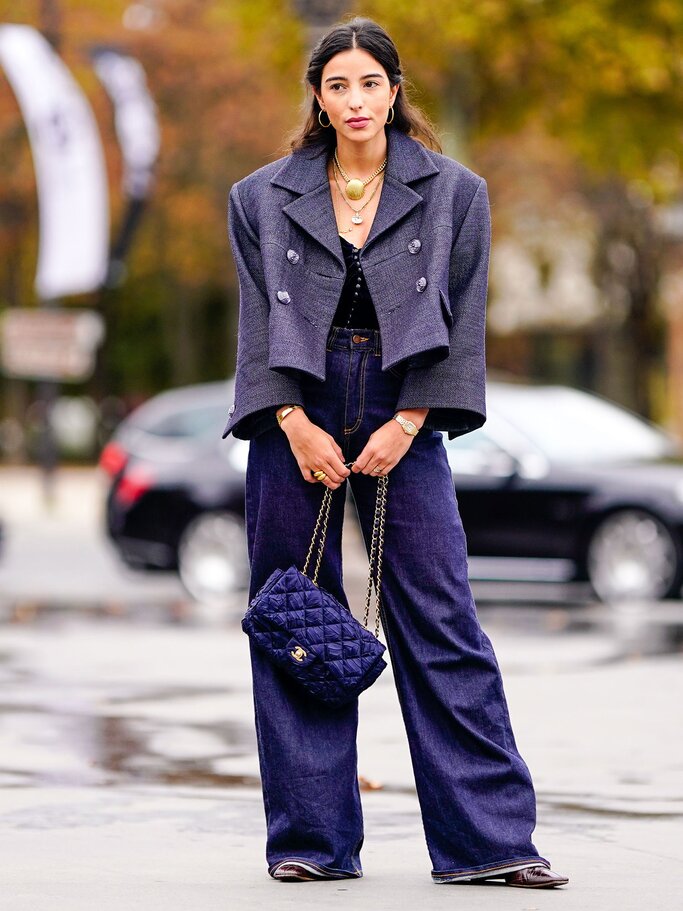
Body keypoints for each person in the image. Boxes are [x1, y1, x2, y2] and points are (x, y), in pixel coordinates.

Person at [222, 16, 569, 889]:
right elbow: (259, 326)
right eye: (335, 85)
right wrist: (293, 423)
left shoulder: (456, 192)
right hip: (293, 406)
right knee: (294, 616)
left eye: (367, 83)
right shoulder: (259, 197)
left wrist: (409, 420)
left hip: (401, 398)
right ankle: (310, 838)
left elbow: (460, 324)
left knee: (441, 617)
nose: (353, 101)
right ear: (316, 96)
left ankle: (489, 841)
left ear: (393, 90)